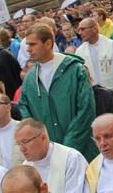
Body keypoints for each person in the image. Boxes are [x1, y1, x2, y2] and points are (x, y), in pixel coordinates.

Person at [19, 23, 98, 161]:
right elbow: (27, 115)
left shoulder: (75, 70)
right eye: (27, 45)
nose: (28, 49)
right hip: (49, 157)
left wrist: (67, 149)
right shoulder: (30, 80)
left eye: (33, 44)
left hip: (82, 152)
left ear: (48, 43)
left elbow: (86, 111)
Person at [11, 118, 87, 193]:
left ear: (43, 138)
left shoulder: (71, 159)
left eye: (25, 142)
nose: (21, 149)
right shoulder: (25, 169)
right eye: (18, 144)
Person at [75, 18, 113, 90]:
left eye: (83, 29)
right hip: (93, 95)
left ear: (94, 29)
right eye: (79, 30)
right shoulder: (79, 52)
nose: (79, 33)